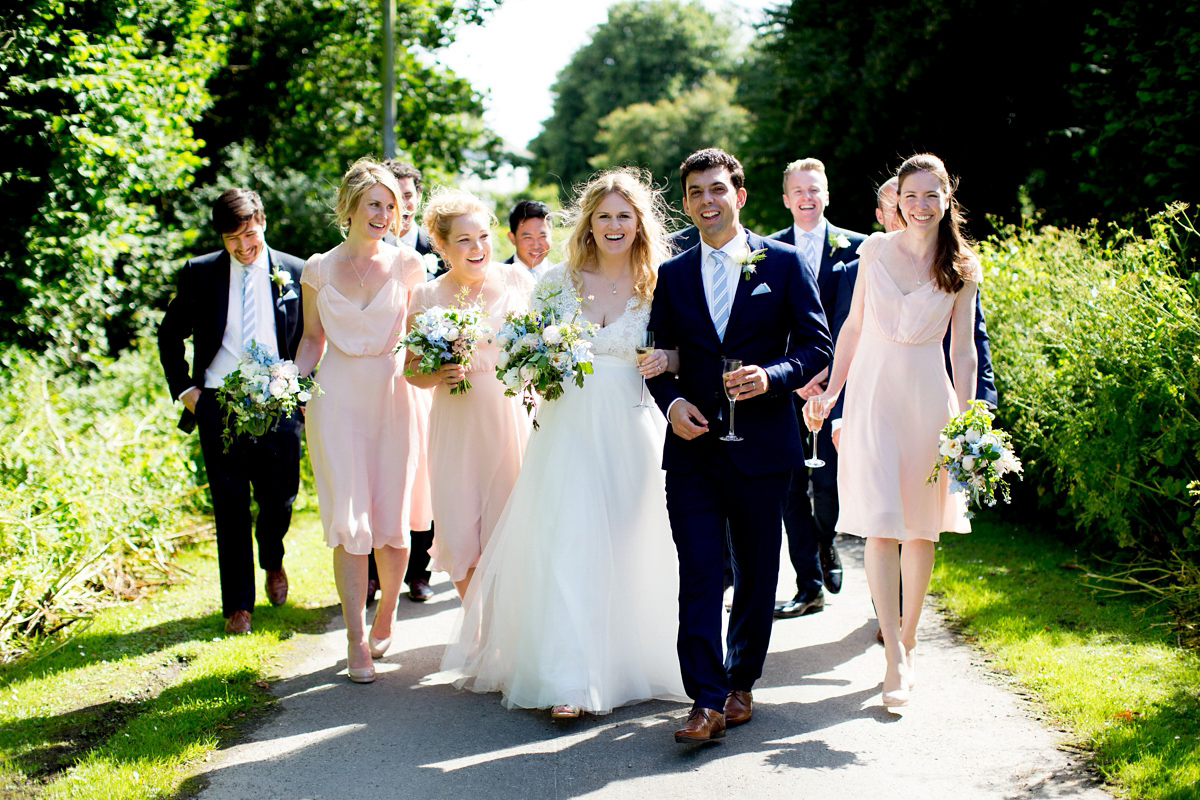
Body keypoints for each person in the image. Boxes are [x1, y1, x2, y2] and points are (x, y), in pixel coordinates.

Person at [437, 168, 688, 719]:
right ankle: (570, 681)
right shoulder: (556, 281)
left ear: (639, 222)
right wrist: (535, 358)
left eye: (624, 215)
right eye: (603, 216)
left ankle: (631, 663)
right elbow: (521, 352)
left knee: (628, 544)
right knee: (569, 545)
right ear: (588, 223)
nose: (614, 225)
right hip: (566, 427)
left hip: (629, 428)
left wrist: (665, 359)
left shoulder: (662, 280)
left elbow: (681, 353)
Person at [647, 149, 832, 743]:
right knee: (701, 571)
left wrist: (772, 377)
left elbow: (815, 346)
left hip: (762, 448)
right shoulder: (672, 275)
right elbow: (657, 359)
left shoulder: (779, 262)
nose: (707, 200)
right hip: (694, 453)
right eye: (696, 191)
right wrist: (672, 405)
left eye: (718, 189)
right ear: (686, 203)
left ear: (740, 195)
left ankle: (740, 683)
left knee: (756, 574)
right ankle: (703, 699)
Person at [805, 153, 980, 709]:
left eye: (932, 195)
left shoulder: (963, 267)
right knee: (880, 525)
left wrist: (970, 421)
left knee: (920, 529)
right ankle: (892, 658)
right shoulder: (874, 250)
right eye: (911, 196)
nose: (921, 205)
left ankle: (907, 637)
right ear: (896, 202)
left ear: (947, 198)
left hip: (929, 400)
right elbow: (853, 326)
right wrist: (833, 393)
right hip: (873, 397)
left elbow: (963, 348)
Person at [294, 158, 429, 683]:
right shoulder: (318, 269)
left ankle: (388, 610)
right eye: (375, 203)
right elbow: (311, 340)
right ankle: (355, 639)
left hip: (395, 396)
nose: (384, 213)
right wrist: (285, 382)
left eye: (391, 206)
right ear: (350, 205)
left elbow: (419, 343)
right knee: (350, 523)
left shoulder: (408, 266)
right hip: (337, 399)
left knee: (391, 525)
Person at [157, 189, 305, 636]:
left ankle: (273, 559)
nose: (243, 247)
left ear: (263, 221)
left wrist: (299, 388)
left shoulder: (297, 271)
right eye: (232, 239)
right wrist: (187, 391)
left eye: (250, 234)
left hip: (278, 402)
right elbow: (169, 336)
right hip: (218, 402)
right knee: (229, 504)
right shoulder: (199, 274)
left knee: (279, 500)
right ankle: (238, 604)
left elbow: (309, 337)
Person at [405, 190, 534, 600]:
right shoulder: (426, 297)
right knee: (460, 531)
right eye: (464, 240)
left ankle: (501, 634)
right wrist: (438, 371)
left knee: (509, 530)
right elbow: (412, 372)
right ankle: (476, 628)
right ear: (442, 246)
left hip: (512, 420)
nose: (477, 248)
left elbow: (541, 347)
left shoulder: (518, 279)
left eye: (482, 236)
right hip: (456, 426)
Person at [769, 158, 867, 619]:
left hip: (839, 385)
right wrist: (793, 376)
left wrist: (829, 375)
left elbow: (864, 323)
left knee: (828, 482)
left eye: (815, 189)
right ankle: (807, 584)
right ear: (786, 199)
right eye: (798, 191)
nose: (807, 197)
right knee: (789, 486)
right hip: (784, 385)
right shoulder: (765, 252)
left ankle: (827, 542)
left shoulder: (863, 249)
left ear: (827, 195)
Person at [378, 159, 437, 604]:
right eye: (392, 195)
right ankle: (379, 574)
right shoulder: (367, 244)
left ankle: (420, 570)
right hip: (378, 371)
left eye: (409, 194)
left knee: (425, 468)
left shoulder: (436, 245)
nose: (402, 204)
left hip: (426, 372)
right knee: (384, 468)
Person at [502, 199, 555, 279]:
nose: (536, 246)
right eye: (528, 238)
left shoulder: (564, 276)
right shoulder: (497, 276)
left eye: (542, 236)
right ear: (512, 238)